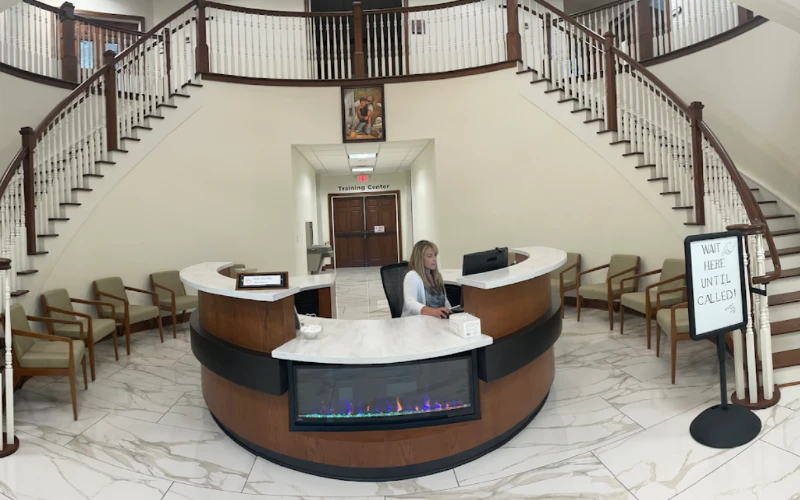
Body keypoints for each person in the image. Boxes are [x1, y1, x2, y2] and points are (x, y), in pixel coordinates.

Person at [402, 240, 452, 318]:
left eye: (435, 255)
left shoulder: (437, 276)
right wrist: (434, 312)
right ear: (420, 258)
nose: (434, 259)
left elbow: (444, 301)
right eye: (430, 256)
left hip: (437, 320)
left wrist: (450, 312)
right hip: (417, 322)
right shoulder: (412, 276)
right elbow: (410, 303)